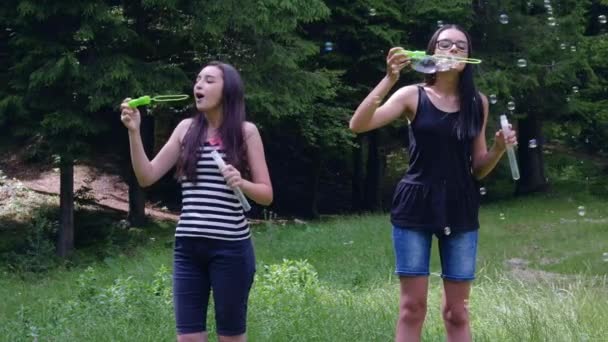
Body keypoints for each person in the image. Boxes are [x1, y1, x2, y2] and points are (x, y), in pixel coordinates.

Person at [349, 25, 517, 342]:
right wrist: (389, 78)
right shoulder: (412, 95)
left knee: (458, 312)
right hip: (415, 204)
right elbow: (358, 124)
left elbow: (478, 168)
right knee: (412, 307)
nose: (453, 50)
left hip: (460, 206)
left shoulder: (478, 103)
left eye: (460, 46)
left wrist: (497, 149)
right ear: (432, 50)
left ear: (469, 57)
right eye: (445, 44)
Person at [120, 61, 273, 342]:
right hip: (188, 248)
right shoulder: (185, 129)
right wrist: (134, 132)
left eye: (209, 80)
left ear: (228, 91)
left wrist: (242, 182)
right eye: (198, 79)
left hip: (231, 249)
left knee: (231, 337)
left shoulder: (246, 131)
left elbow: (266, 194)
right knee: (189, 338)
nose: (199, 85)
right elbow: (146, 176)